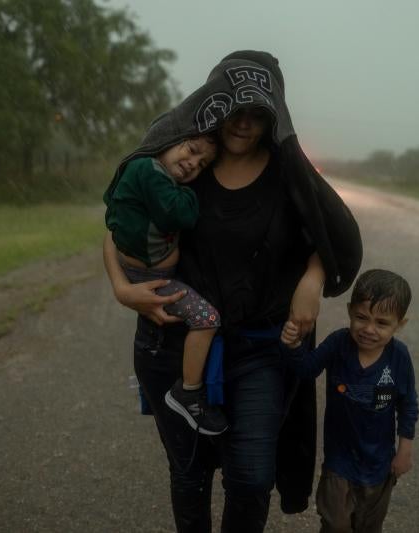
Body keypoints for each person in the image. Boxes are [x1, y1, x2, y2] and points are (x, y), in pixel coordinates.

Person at [102, 50, 363, 532]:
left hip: (261, 348)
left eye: (257, 113)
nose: (243, 123)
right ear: (213, 108)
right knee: (189, 474)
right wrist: (122, 288)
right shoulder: (187, 162)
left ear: (272, 116)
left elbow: (323, 239)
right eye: (233, 110)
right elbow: (119, 225)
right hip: (175, 345)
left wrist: (312, 278)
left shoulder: (288, 176)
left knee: (251, 476)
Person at [103, 133, 228, 435]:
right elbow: (179, 214)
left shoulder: (151, 176)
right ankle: (188, 391)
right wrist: (190, 195)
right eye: (191, 150)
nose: (192, 164)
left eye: (202, 164)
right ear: (169, 140)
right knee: (207, 319)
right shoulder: (149, 170)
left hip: (153, 277)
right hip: (154, 282)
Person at [280, 269, 419, 533]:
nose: (369, 329)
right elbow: (307, 370)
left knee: (368, 525)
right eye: (361, 317)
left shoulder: (399, 357)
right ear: (349, 311)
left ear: (400, 324)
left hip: (378, 464)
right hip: (339, 460)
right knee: (335, 523)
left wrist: (405, 450)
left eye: (382, 323)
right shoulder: (338, 344)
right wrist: (293, 345)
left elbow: (408, 404)